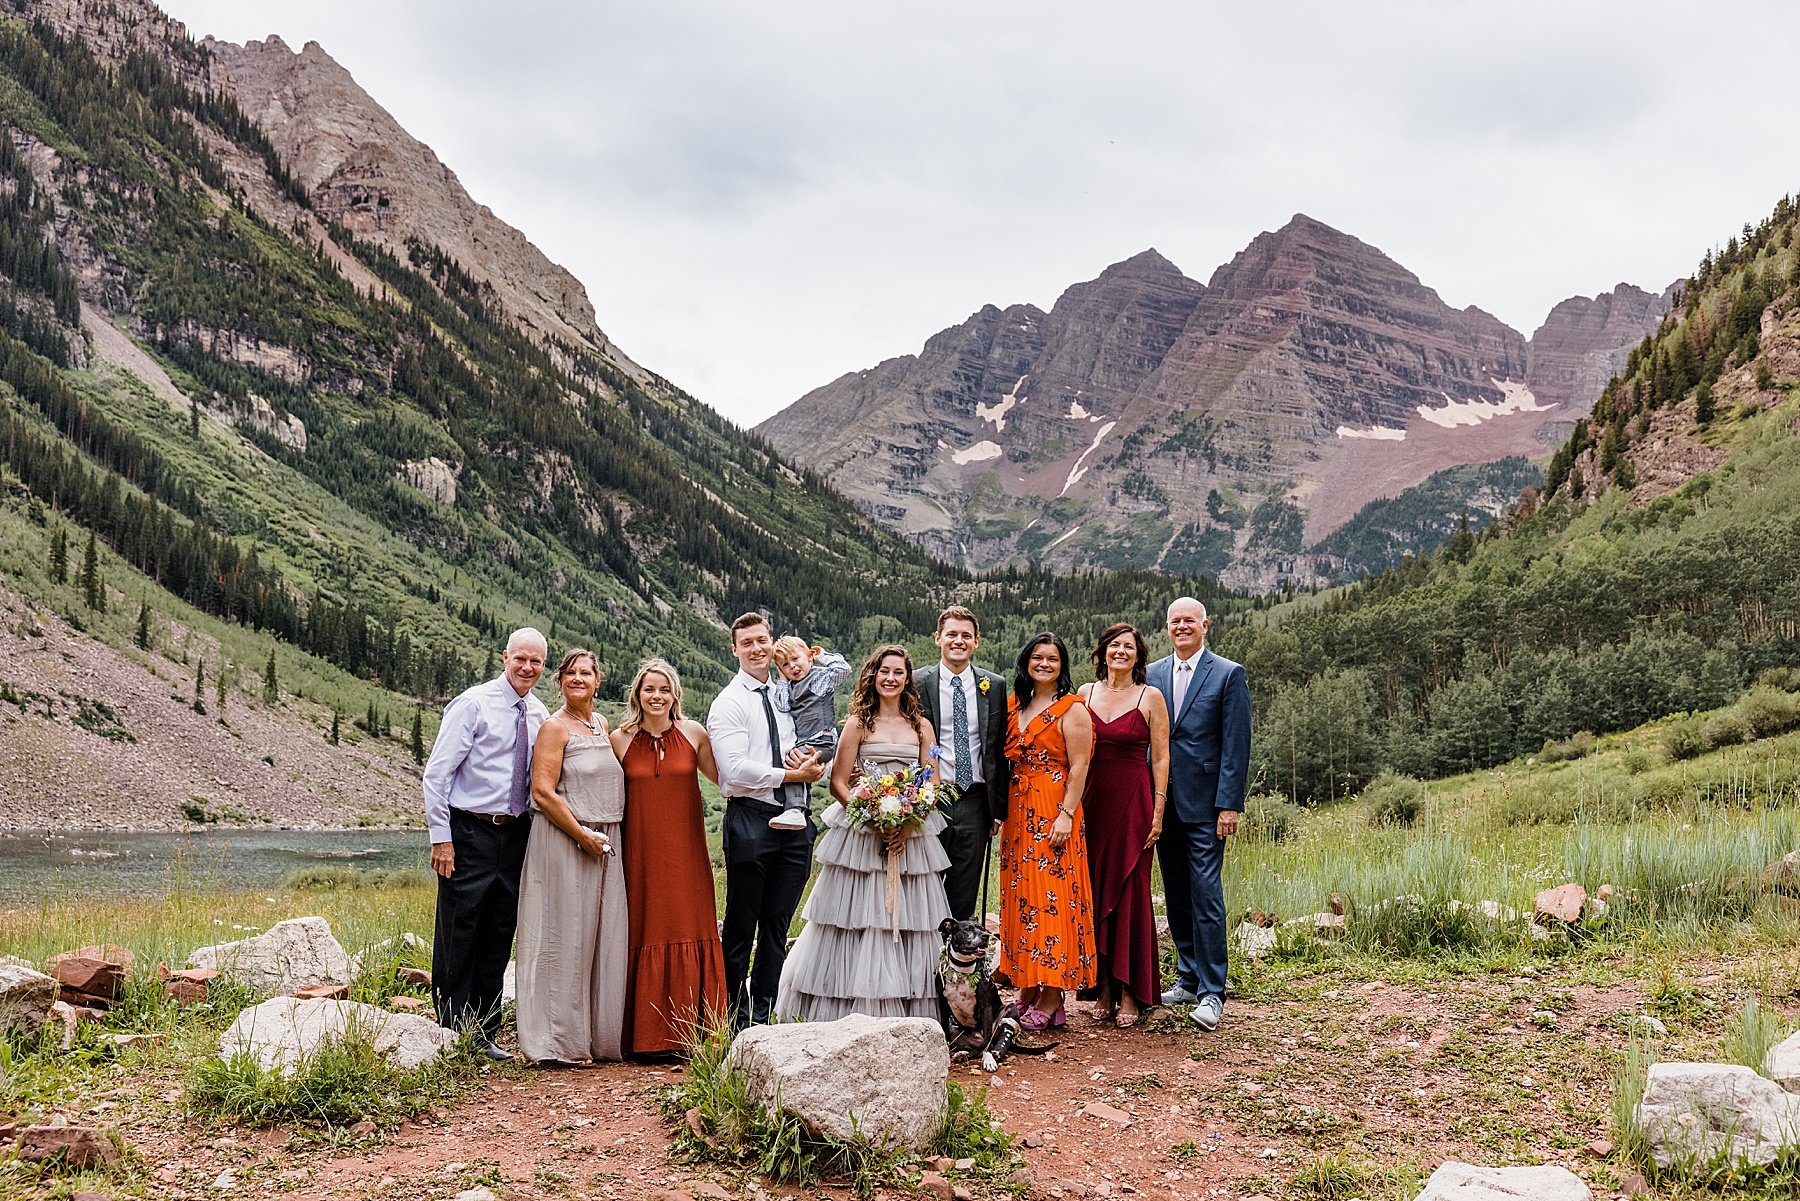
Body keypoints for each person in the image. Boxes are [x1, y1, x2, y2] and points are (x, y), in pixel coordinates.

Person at [776, 645, 949, 1021]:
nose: (891, 678)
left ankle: (910, 1016)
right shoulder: (857, 724)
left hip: (911, 834)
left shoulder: (923, 728)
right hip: (862, 832)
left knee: (911, 920)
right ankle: (846, 1014)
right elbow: (838, 781)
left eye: (898, 673)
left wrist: (907, 821)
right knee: (855, 919)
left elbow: (932, 781)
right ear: (873, 676)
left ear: (907, 679)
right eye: (884, 671)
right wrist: (871, 816)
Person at [422, 628, 550, 1060]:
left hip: (515, 834)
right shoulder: (473, 704)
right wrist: (442, 839)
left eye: (535, 661)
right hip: (469, 831)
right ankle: (449, 1029)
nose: (526, 667)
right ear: (504, 657)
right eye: (520, 659)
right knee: (459, 928)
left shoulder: (538, 713)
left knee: (499, 929)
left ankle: (485, 1029)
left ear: (543, 666)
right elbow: (436, 776)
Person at [705, 612, 827, 1027]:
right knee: (741, 924)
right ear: (734, 649)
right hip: (751, 822)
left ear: (771, 642)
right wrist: (792, 775)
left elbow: (808, 742)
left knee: (777, 925)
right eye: (748, 643)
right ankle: (732, 1015)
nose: (757, 649)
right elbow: (734, 770)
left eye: (762, 640)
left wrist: (814, 763)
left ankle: (763, 1013)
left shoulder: (786, 695)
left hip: (795, 823)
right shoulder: (729, 703)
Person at [611, 658, 730, 1055]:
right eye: (649, 689)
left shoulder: (694, 734)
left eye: (664, 689)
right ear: (637, 695)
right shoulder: (619, 739)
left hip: (687, 849)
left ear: (675, 694)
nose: (656, 696)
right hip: (640, 850)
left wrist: (786, 776)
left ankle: (695, 1031)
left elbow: (727, 780)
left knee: (688, 921)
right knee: (644, 924)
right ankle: (643, 1037)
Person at [515, 648, 627, 1064]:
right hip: (565, 839)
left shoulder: (600, 724)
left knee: (602, 936)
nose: (578, 678)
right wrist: (581, 835)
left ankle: (597, 1034)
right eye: (570, 673)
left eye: (586, 673)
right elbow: (542, 792)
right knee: (564, 935)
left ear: (598, 681)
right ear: (559, 681)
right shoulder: (553, 728)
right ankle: (557, 1040)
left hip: (605, 839)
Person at [1150, 597, 1251, 1032]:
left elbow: (1236, 744)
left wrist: (1229, 804)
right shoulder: (1152, 674)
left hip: (1207, 806)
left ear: (1205, 625)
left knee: (1206, 895)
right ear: (1167, 627)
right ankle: (1187, 978)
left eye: (1189, 620)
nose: (1182, 627)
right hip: (1162, 803)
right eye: (1175, 622)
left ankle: (1213, 991)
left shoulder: (1228, 674)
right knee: (1174, 892)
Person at [998, 632, 1096, 1030]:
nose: (1044, 664)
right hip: (1018, 811)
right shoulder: (1013, 705)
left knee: (1053, 897)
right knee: (1022, 898)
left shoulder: (1071, 709)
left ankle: (1054, 995)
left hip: (1053, 808)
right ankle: (1026, 987)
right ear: (1026, 661)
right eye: (1037, 657)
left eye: (1052, 659)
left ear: (1062, 666)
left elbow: (1080, 766)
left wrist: (1066, 814)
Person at [1075, 623, 1170, 1028]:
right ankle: (1105, 988)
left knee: (1131, 890)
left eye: (1128, 647)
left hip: (1135, 799)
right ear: (1102, 652)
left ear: (1139, 655)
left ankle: (1132, 991)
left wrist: (1159, 810)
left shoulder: (1151, 697)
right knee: (1095, 890)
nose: (1121, 652)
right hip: (1092, 801)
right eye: (1114, 645)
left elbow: (1162, 758)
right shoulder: (1084, 693)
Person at [913, 605, 1011, 921]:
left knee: (964, 892)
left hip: (975, 801)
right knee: (922, 887)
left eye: (966, 635)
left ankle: (956, 965)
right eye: (952, 634)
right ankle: (920, 963)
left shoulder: (993, 685)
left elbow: (997, 750)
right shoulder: (917, 682)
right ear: (938, 638)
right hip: (932, 798)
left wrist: (998, 810)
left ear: (977, 642)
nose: (959, 641)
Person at [767, 637, 852, 830]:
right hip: (806, 742)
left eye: (796, 659)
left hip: (822, 739)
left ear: (809, 656)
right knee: (795, 763)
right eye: (785, 665)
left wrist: (822, 655)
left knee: (794, 764)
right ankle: (799, 809)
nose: (793, 667)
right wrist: (782, 679)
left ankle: (796, 809)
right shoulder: (791, 686)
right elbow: (782, 704)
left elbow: (843, 669)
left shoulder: (818, 679)